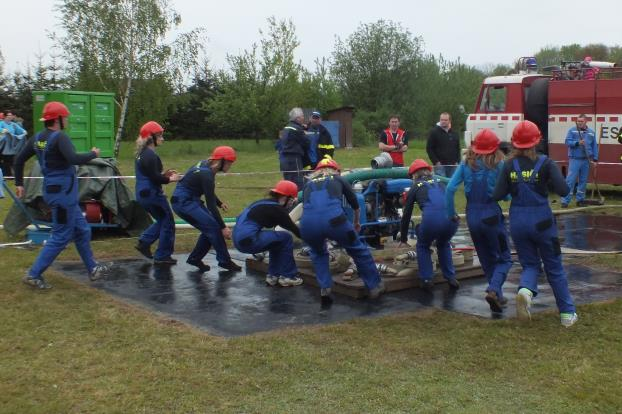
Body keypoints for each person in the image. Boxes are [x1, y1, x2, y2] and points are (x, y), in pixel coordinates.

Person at [13, 102, 108, 289]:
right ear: (57, 119)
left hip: (56, 192)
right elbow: (73, 159)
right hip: (64, 196)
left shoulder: (37, 138)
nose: (67, 120)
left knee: (82, 230)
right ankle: (33, 274)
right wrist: (93, 153)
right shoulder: (60, 138)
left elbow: (18, 160)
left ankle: (93, 268)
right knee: (60, 236)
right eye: (65, 117)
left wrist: (19, 183)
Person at [493, 120, 578, 327]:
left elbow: (498, 194)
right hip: (542, 222)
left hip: (518, 222)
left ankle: (525, 290)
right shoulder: (546, 163)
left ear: (515, 144)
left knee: (530, 264)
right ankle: (567, 314)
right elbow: (564, 191)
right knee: (554, 266)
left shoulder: (508, 165)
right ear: (536, 141)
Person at [300, 156, 385, 303]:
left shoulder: (307, 185)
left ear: (316, 172)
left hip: (307, 224)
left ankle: (325, 288)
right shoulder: (338, 179)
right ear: (336, 170)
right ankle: (374, 286)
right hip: (335, 221)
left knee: (318, 254)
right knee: (358, 250)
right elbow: (355, 204)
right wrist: (356, 222)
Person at [445, 129, 512, 312]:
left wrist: (451, 213)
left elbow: (450, 188)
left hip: (472, 216)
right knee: (505, 258)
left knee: (485, 257)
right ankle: (493, 289)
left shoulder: (467, 163)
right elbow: (506, 196)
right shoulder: (499, 164)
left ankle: (496, 295)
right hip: (491, 214)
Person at [171, 146, 242, 272]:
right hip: (184, 203)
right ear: (220, 161)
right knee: (214, 227)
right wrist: (223, 227)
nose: (230, 165)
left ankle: (195, 259)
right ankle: (225, 261)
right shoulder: (207, 174)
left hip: (189, 200)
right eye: (229, 163)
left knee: (209, 227)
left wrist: (220, 203)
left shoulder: (206, 165)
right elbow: (210, 205)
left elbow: (207, 191)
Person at [399, 159, 459, 291]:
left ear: (414, 175)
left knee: (423, 245)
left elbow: (406, 215)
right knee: (443, 243)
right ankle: (451, 277)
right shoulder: (441, 182)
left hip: (432, 220)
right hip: (452, 220)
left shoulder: (416, 186)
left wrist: (403, 239)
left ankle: (426, 279)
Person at [233, 180, 303, 286]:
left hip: (238, 239)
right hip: (249, 240)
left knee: (276, 241)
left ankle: (273, 276)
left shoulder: (262, 203)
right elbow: (294, 229)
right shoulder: (277, 209)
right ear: (285, 197)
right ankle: (288, 276)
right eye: (291, 200)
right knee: (286, 238)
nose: (291, 203)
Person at [134, 121, 181, 264]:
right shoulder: (150, 155)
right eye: (159, 135)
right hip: (152, 194)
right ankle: (162, 255)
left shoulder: (142, 154)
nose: (162, 138)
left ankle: (144, 242)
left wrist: (164, 174)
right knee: (168, 222)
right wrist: (171, 179)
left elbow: (150, 174)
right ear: (151, 137)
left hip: (143, 193)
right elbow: (155, 178)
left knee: (162, 220)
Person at [560, 114, 598, 208]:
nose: (579, 123)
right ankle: (565, 201)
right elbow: (567, 141)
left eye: (581, 121)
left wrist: (595, 159)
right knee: (570, 180)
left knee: (583, 181)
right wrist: (577, 143)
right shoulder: (572, 130)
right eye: (578, 121)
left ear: (586, 121)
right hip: (575, 159)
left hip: (586, 160)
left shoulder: (591, 133)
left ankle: (580, 200)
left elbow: (594, 147)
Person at [279, 107, 310, 190]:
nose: (303, 118)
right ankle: (297, 200)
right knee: (298, 181)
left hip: (283, 159)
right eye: (302, 116)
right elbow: (307, 142)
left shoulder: (286, 128)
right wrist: (305, 134)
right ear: (298, 118)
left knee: (287, 181)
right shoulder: (297, 129)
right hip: (294, 159)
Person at [426, 112, 461, 177]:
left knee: (451, 185)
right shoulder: (434, 132)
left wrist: (457, 161)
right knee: (442, 185)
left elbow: (458, 148)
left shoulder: (454, 133)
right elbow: (429, 148)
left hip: (453, 165)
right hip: (440, 166)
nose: (443, 121)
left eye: (445, 120)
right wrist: (436, 162)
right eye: (442, 120)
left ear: (449, 121)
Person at [0, 110, 27, 176]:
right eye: (8, 115)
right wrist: (2, 130)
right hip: (2, 146)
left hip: (11, 146)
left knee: (11, 160)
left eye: (11, 115)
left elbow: (22, 131)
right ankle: (6, 175)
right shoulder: (1, 123)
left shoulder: (14, 124)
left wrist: (23, 133)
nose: (10, 117)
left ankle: (10, 175)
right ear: (5, 117)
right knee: (4, 160)